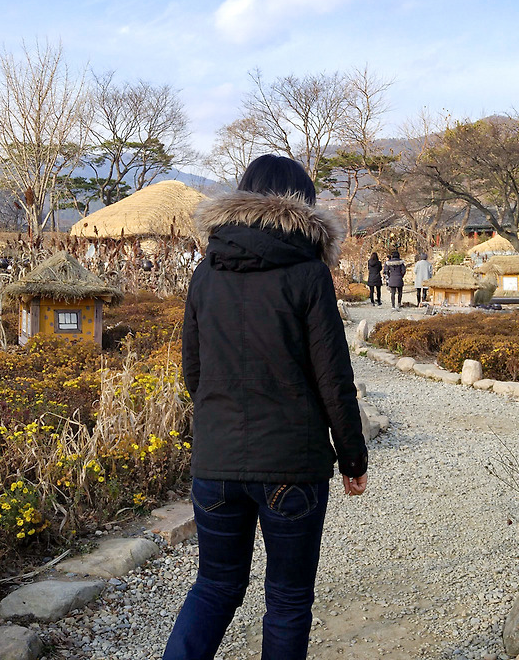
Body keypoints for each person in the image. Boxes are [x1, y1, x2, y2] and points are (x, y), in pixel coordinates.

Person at [165, 154, 369, 660]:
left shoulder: (206, 271)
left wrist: (221, 424)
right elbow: (333, 378)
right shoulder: (309, 273)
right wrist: (352, 458)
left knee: (214, 586)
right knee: (288, 599)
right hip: (291, 467)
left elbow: (194, 372)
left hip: (216, 464)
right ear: (303, 205)